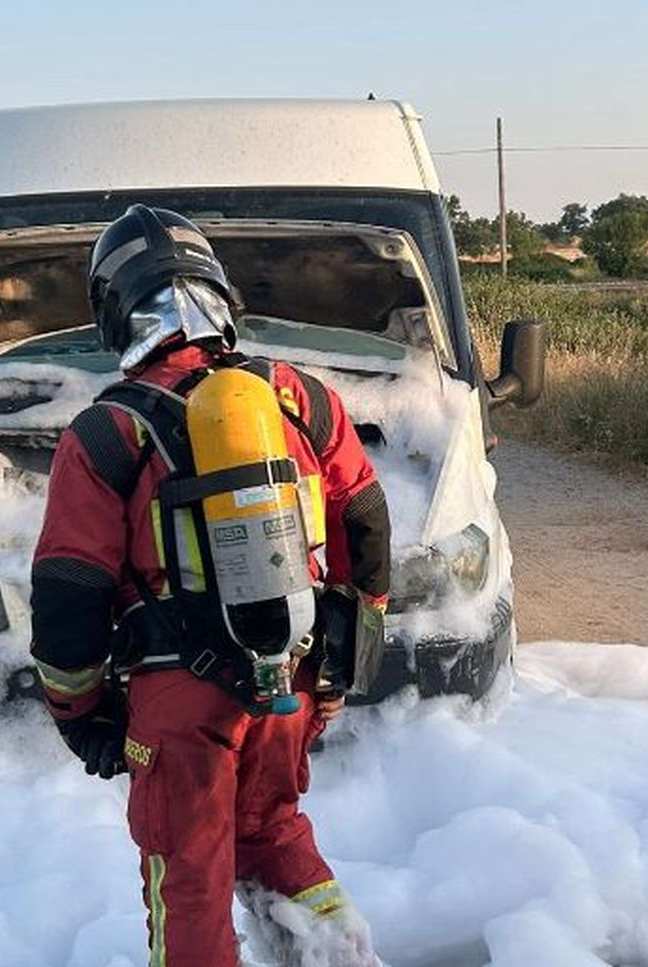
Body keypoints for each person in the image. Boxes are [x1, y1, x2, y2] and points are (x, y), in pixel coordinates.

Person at [29, 204, 391, 967]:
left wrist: (81, 715)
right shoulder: (298, 396)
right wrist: (338, 664)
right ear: (219, 294)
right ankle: (343, 955)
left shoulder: (107, 433)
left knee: (186, 879)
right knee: (272, 830)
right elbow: (366, 523)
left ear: (116, 311)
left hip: (179, 707)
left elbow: (69, 597)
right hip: (287, 688)